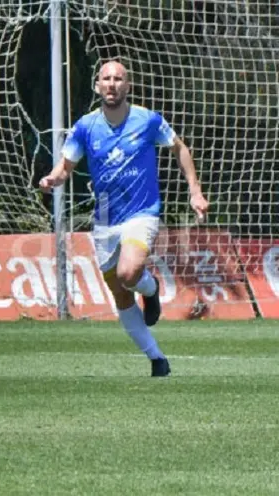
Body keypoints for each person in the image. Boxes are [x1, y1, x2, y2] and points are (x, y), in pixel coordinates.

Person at [40, 60, 209, 377]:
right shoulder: (85, 127)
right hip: (104, 220)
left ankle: (149, 286)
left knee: (129, 273)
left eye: (118, 79)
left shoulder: (147, 121)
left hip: (141, 214)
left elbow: (179, 148)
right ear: (98, 86)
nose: (112, 84)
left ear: (127, 86)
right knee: (120, 293)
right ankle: (157, 358)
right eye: (106, 78)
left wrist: (195, 191)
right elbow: (65, 167)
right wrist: (52, 179)